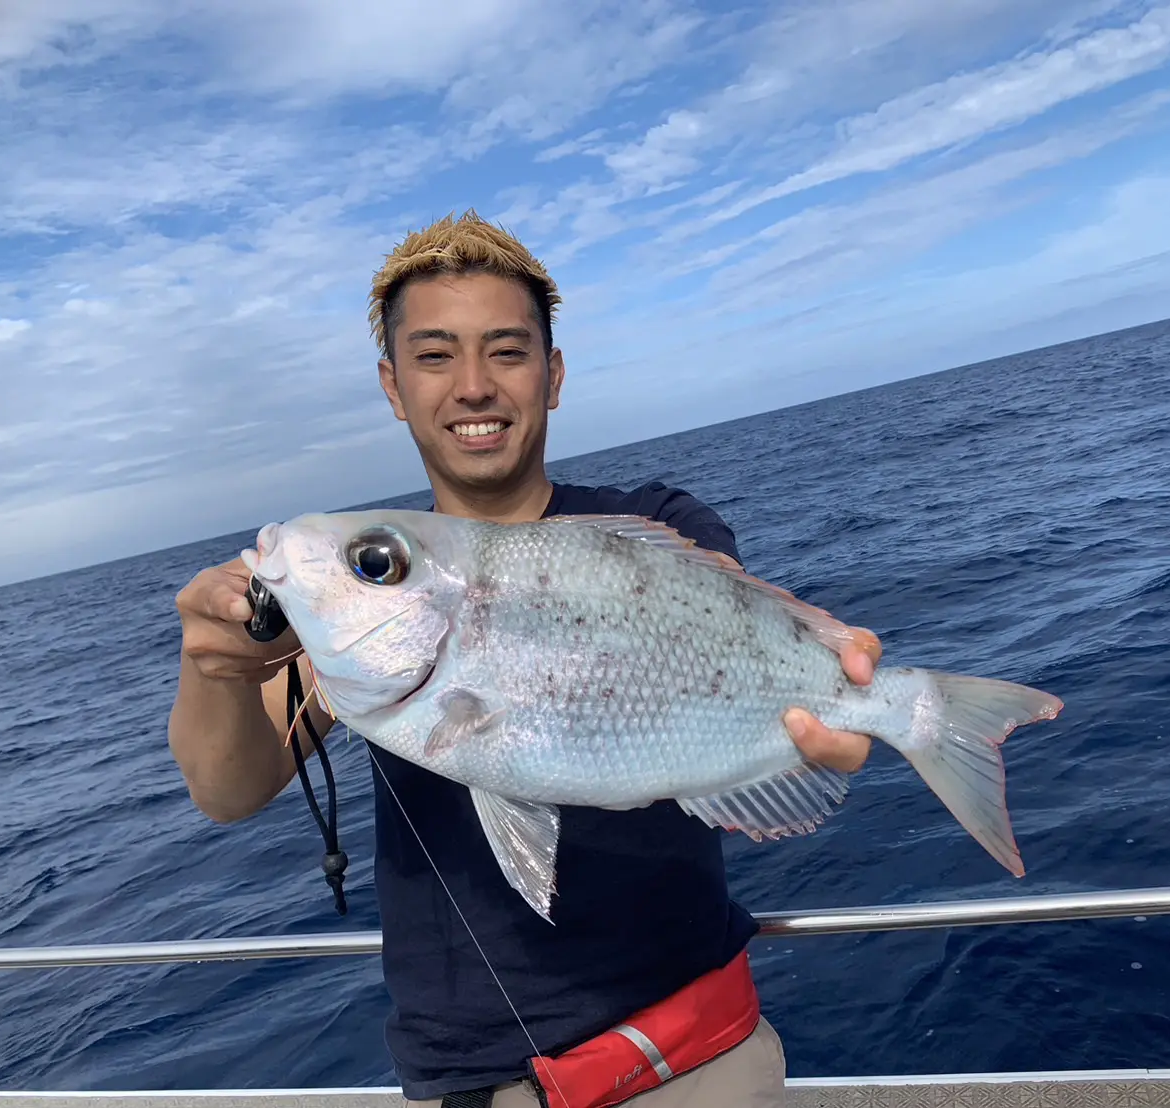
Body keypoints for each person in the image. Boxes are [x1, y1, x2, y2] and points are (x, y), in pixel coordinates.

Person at [167, 210, 881, 1107]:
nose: (473, 386)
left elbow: (733, 639)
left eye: (507, 351)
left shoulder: (657, 525)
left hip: (699, 1051)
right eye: (434, 356)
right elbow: (228, 792)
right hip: (475, 1078)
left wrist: (841, 696)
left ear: (553, 374)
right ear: (393, 386)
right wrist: (219, 668)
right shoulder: (376, 595)